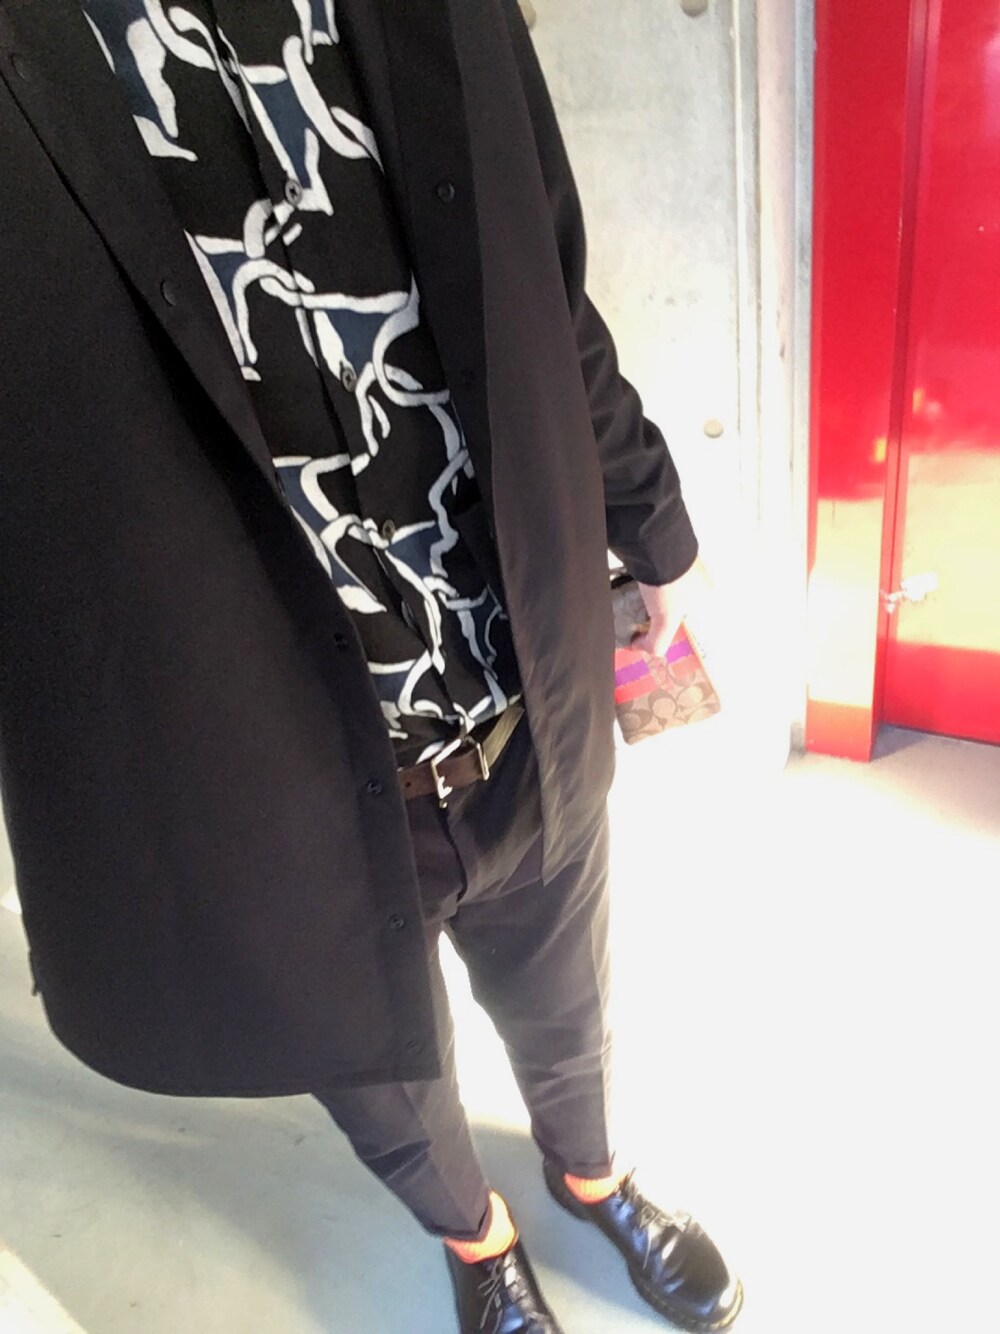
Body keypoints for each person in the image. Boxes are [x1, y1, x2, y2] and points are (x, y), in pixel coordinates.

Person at [0, 1, 742, 1329]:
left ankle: (592, 1173)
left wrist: (652, 519)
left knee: (569, 999)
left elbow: (541, 281)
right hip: (268, 764)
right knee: (379, 1070)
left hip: (521, 684)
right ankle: (476, 1236)